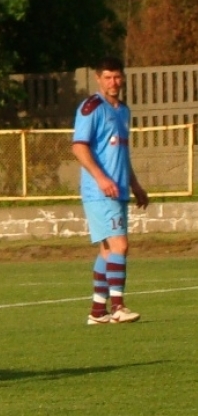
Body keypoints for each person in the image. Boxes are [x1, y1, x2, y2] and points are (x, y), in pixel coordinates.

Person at [72, 56, 149, 326]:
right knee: (120, 245)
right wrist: (101, 178)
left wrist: (135, 184)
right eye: (107, 77)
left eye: (117, 77)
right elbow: (79, 147)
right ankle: (118, 306)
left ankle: (97, 311)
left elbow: (122, 154)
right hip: (100, 191)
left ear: (123, 78)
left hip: (118, 190)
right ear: (98, 78)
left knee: (107, 251)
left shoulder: (123, 110)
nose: (113, 82)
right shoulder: (91, 107)